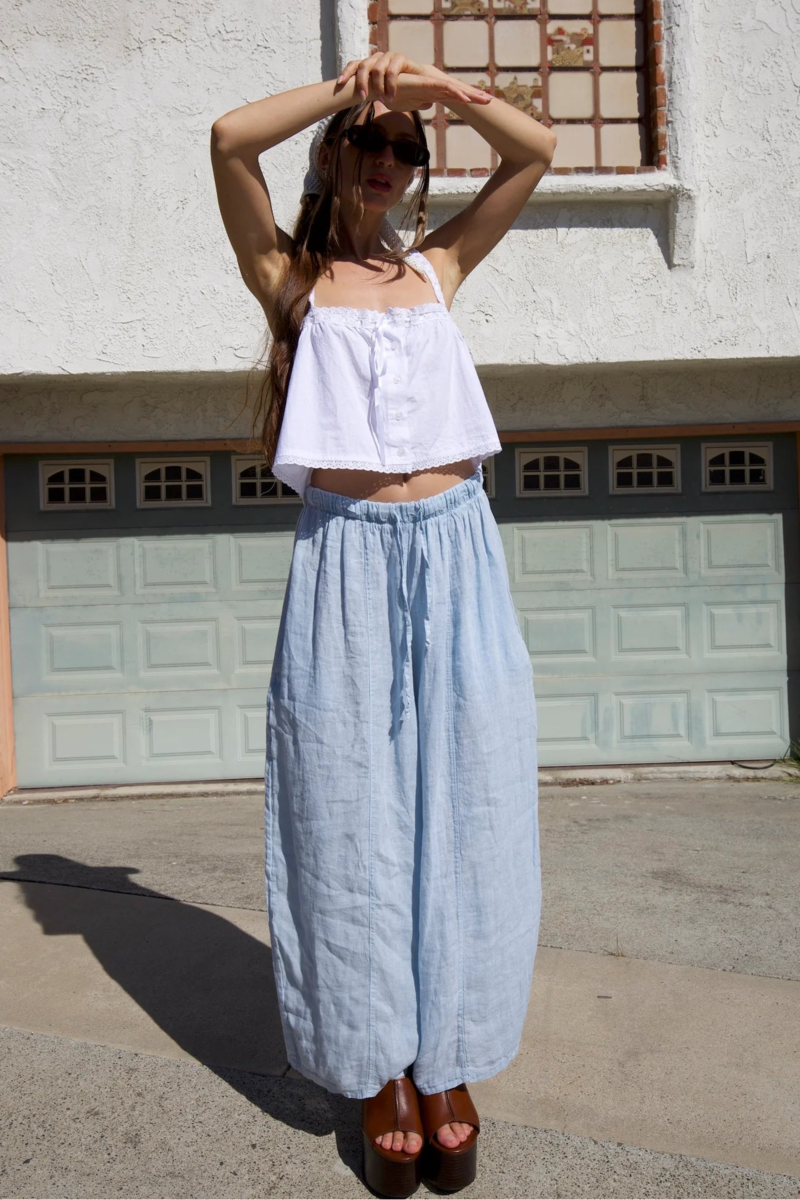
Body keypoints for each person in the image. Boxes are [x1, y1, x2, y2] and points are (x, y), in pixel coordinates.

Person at [210, 51, 556, 1197]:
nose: (386, 160)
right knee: (346, 813)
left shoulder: (436, 267)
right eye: (369, 142)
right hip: (346, 558)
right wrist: (349, 90)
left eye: (403, 149)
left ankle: (446, 1056)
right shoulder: (290, 279)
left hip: (457, 548)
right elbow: (227, 140)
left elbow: (533, 153)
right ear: (333, 156)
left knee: (469, 803)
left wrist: (438, 92)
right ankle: (378, 1068)